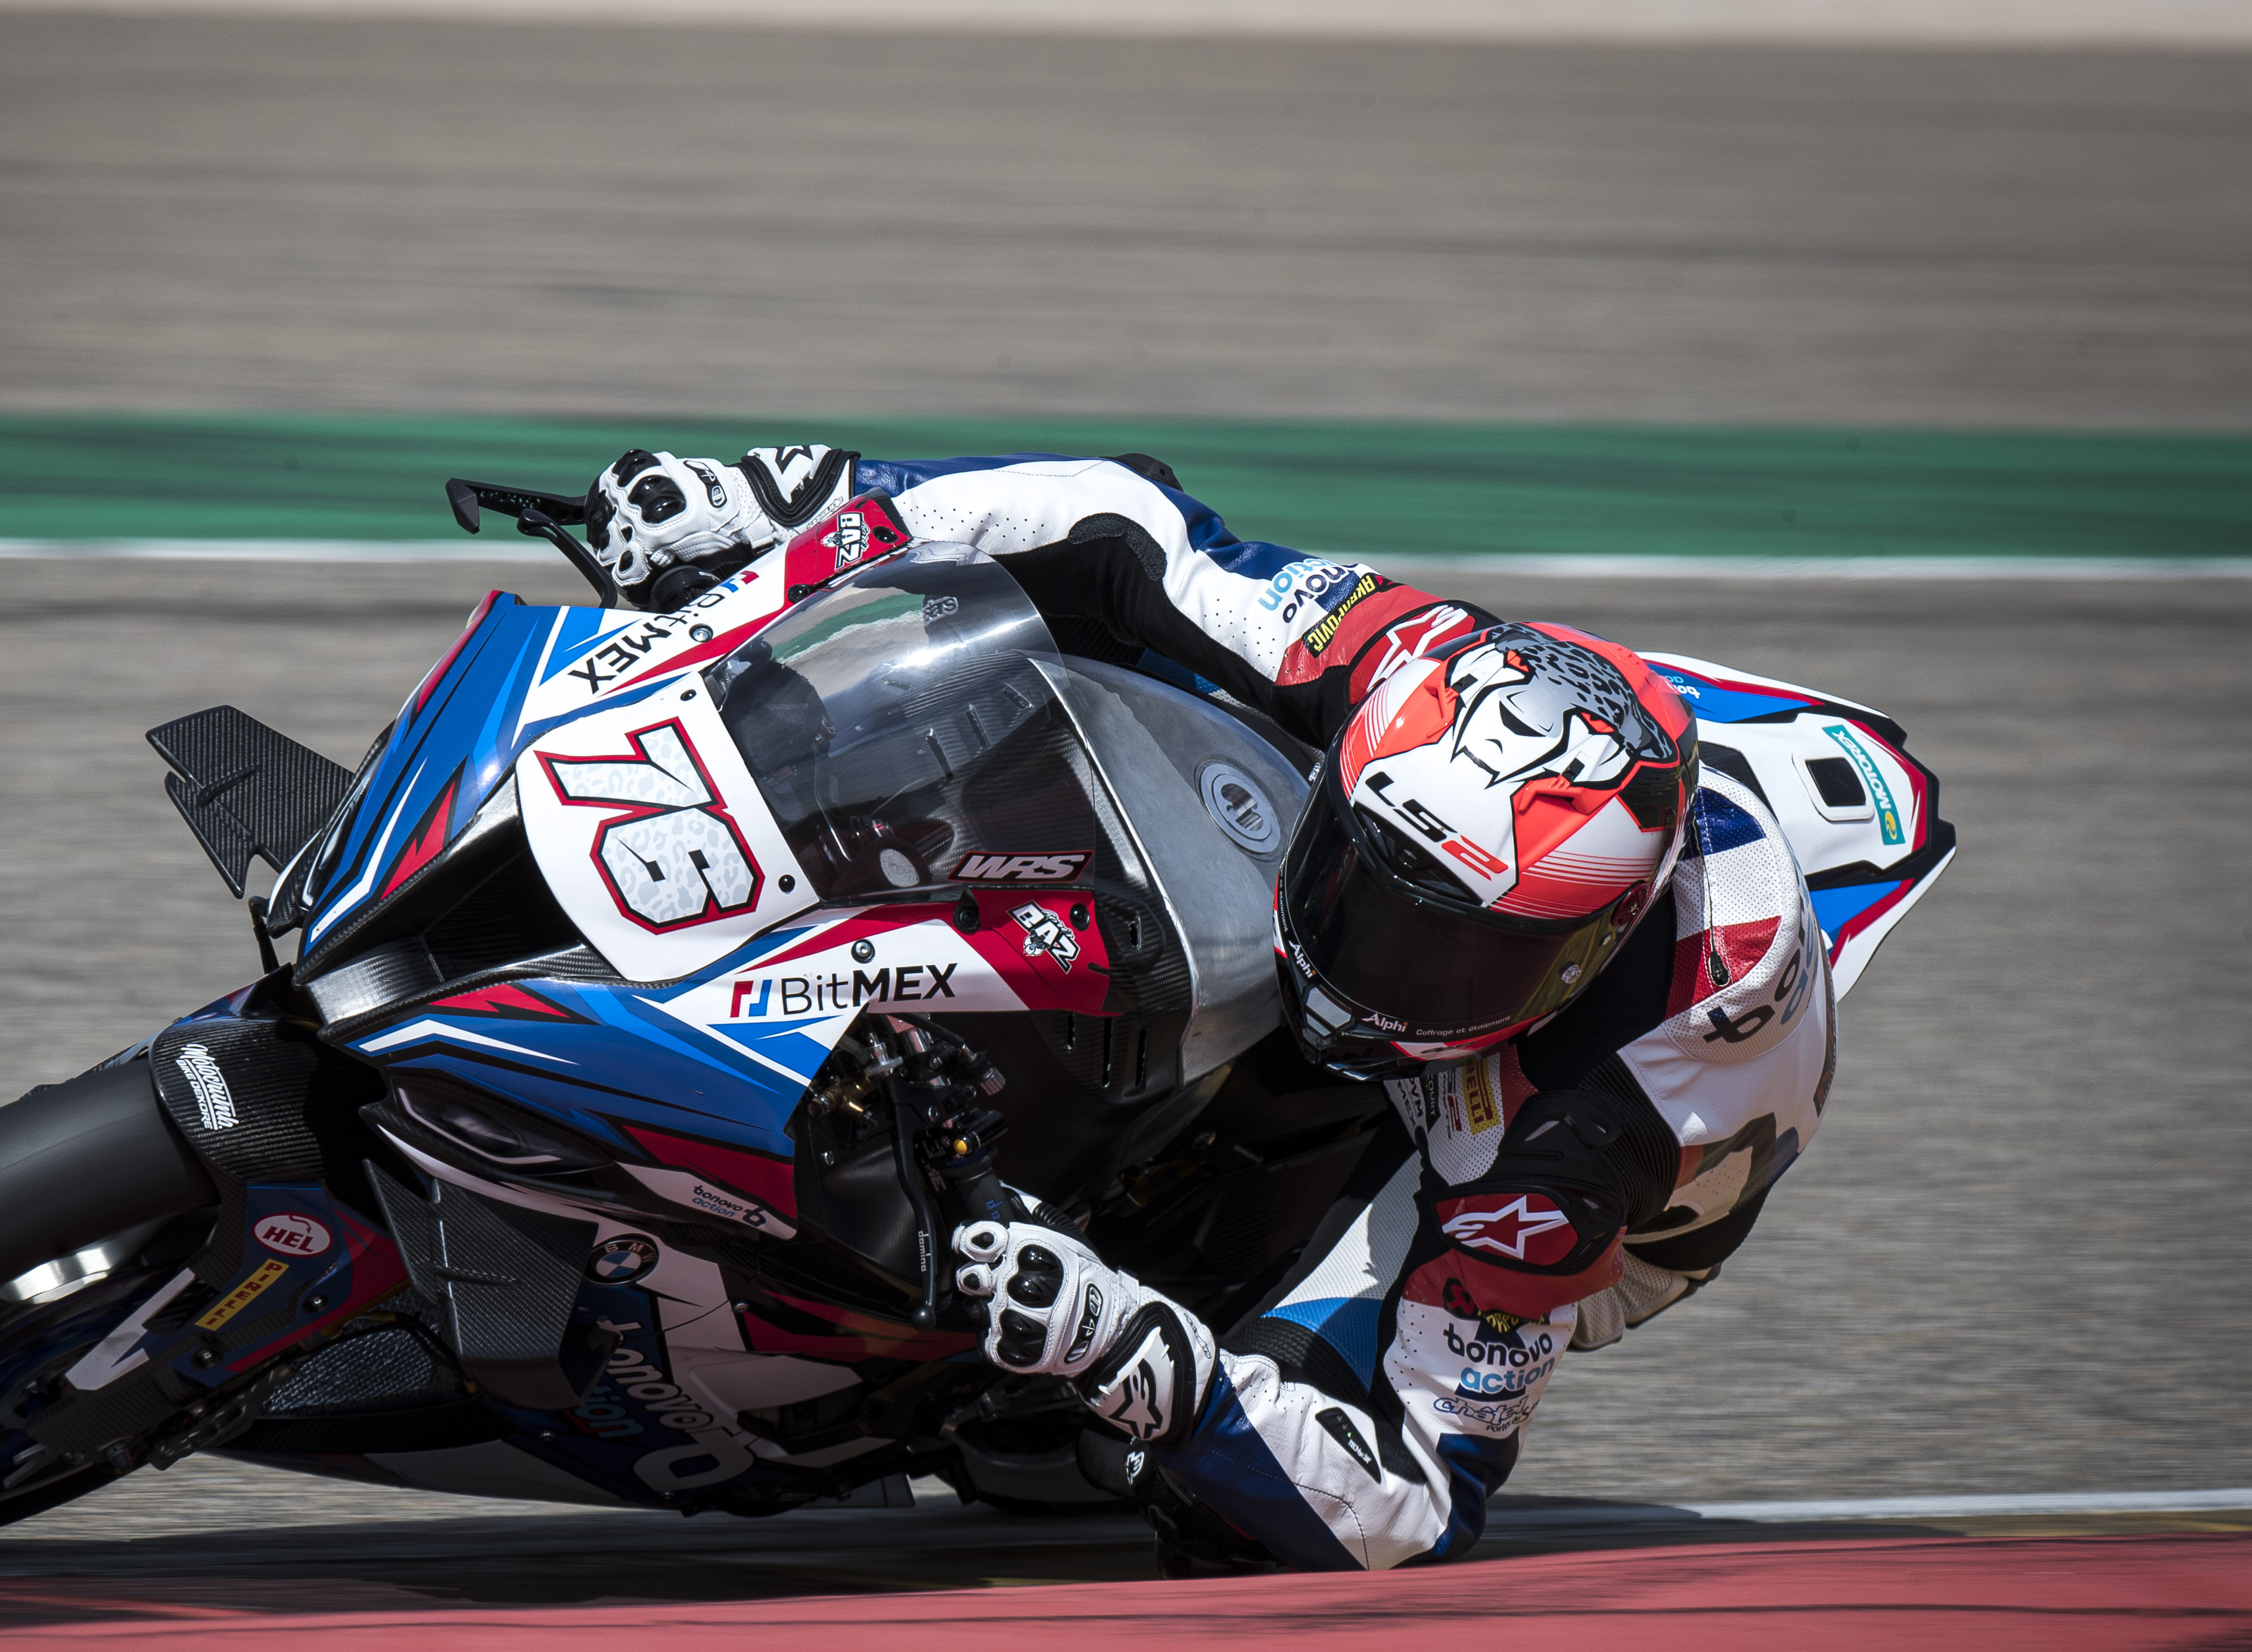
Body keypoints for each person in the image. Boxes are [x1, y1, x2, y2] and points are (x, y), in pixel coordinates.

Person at [583, 446, 1863, 1575]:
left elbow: (1414, 1502)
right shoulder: (1405, 668)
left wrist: (1132, 1352)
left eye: (1445, 957)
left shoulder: (1563, 1153)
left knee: (1223, 1492)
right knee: (1077, 658)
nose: (1370, 969)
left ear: (1579, 958)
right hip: (1514, 895)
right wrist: (792, 504)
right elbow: (1123, 518)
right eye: (1365, 891)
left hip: (1519, 1153)